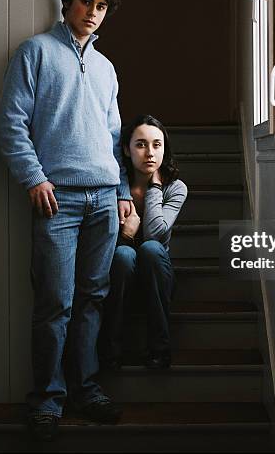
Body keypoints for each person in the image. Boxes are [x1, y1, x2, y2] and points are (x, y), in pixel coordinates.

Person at [0, 0, 133, 440]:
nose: (92, 13)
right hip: (58, 201)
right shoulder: (35, 52)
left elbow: (115, 138)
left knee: (92, 299)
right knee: (54, 302)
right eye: (85, 2)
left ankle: (87, 390)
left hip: (103, 200)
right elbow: (13, 124)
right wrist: (33, 178)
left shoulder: (106, 68)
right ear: (68, 3)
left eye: (100, 6)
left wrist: (119, 193)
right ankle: (48, 399)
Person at [99, 114, 188, 371]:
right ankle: (111, 349)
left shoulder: (175, 188)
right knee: (124, 255)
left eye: (157, 145)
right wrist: (125, 236)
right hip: (118, 279)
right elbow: (104, 243)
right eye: (140, 144)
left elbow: (154, 233)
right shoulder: (112, 185)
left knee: (150, 249)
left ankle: (159, 348)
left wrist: (155, 187)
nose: (150, 152)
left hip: (157, 280)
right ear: (126, 149)